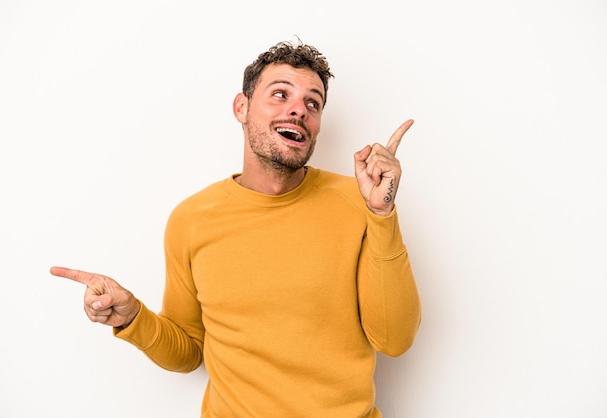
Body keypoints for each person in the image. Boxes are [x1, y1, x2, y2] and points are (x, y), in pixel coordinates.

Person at [51, 40, 421, 417]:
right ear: (241, 108)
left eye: (313, 103)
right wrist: (133, 319)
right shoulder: (193, 219)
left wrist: (382, 214)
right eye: (281, 94)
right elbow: (188, 353)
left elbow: (394, 340)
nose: (299, 110)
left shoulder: (359, 201)